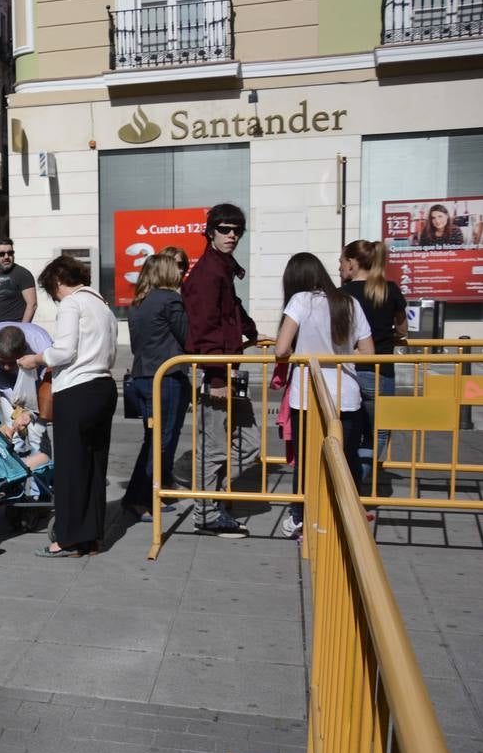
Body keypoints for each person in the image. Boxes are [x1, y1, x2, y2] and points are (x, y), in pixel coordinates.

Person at [181, 203, 266, 537]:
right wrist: (217, 376)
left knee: (250, 444)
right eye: (225, 229)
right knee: (215, 446)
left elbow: (231, 310)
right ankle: (205, 511)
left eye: (237, 231)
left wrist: (252, 330)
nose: (232, 236)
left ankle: (208, 493)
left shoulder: (223, 268)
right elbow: (203, 331)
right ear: (210, 232)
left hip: (229, 370)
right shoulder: (207, 273)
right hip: (217, 374)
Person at [275, 252, 373, 538]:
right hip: (346, 392)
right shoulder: (349, 302)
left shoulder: (301, 301)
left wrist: (305, 355)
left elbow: (281, 349)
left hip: (308, 394)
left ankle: (301, 517)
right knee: (344, 458)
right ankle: (345, 519)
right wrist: (339, 355)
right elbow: (368, 352)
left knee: (308, 461)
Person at [26, 256, 118, 558]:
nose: (53, 299)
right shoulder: (103, 305)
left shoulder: (71, 303)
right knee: (94, 465)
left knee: (70, 468)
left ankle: (66, 538)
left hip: (77, 390)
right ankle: (91, 538)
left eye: (51, 291)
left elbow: (63, 351)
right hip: (103, 387)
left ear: (56, 281)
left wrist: (37, 358)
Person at [122, 255, 190, 522]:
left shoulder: (138, 303)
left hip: (142, 376)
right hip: (166, 377)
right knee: (161, 441)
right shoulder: (169, 299)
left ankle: (138, 498)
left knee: (152, 441)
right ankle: (140, 499)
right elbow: (187, 335)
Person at [340, 240, 406, 494]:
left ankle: (343, 486)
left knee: (347, 431)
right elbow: (402, 328)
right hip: (381, 370)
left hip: (348, 370)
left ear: (353, 263)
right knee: (376, 434)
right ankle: (356, 488)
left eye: (342, 261)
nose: (340, 266)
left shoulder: (343, 294)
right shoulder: (389, 289)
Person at [0, 323, 54, 466]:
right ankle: (16, 480)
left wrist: (31, 412)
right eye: (1, 361)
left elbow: (48, 382)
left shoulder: (41, 344)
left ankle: (42, 480)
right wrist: (12, 396)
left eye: (11, 363)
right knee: (14, 434)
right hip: (7, 383)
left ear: (24, 351)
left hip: (37, 379)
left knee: (37, 434)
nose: (6, 367)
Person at [0, 238, 37, 323]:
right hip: (0, 326)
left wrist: (23, 328)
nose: (7, 256)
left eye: (10, 253)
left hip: (17, 327)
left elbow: (32, 305)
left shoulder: (23, 274)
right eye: (2, 254)